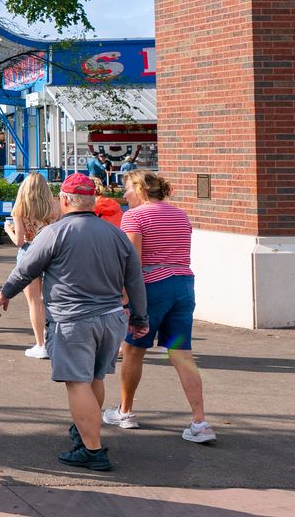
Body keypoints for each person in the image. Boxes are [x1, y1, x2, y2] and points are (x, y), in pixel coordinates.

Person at [0, 173, 149, 472]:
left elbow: (26, 269)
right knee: (95, 378)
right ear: (92, 201)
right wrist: (140, 317)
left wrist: (3, 295)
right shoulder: (115, 232)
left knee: (77, 382)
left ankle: (92, 450)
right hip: (111, 318)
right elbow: (134, 278)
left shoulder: (55, 233)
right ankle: (86, 429)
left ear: (64, 200)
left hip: (73, 320)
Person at [110, 171, 215, 443]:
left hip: (151, 288)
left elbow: (132, 261)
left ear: (140, 190)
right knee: (181, 354)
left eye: (127, 190)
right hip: (183, 285)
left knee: (133, 349)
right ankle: (200, 421)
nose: (124, 196)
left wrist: (123, 298)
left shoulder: (134, 216)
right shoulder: (180, 214)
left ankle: (126, 411)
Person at [6, 172, 61, 359]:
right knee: (51, 300)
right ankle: (55, 341)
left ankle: (41, 344)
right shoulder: (55, 205)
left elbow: (19, 241)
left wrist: (8, 230)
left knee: (34, 302)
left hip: (29, 253)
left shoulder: (20, 208)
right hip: (52, 252)